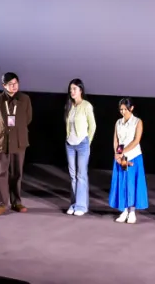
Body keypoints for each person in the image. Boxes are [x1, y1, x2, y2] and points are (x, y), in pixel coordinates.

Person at [0, 72, 33, 215]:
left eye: (16, 83)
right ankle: (2, 204)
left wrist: (17, 129)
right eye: (10, 84)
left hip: (19, 141)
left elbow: (28, 118)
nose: (14, 86)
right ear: (4, 85)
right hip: (2, 142)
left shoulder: (25, 99)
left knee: (17, 174)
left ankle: (16, 202)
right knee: (1, 174)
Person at [108, 98, 149, 222]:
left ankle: (132, 211)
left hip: (133, 156)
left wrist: (122, 152)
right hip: (121, 156)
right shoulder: (118, 122)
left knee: (131, 182)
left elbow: (136, 140)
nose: (123, 112)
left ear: (131, 108)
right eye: (121, 109)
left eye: (125, 109)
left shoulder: (137, 121)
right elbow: (116, 140)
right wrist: (117, 154)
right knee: (123, 182)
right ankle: (124, 210)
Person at [64, 78, 96, 216]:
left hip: (82, 144)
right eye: (70, 89)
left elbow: (92, 126)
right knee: (73, 175)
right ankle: (74, 203)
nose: (72, 91)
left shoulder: (86, 105)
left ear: (80, 90)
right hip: (69, 144)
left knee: (81, 175)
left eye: (74, 89)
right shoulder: (69, 105)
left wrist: (87, 142)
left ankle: (82, 206)